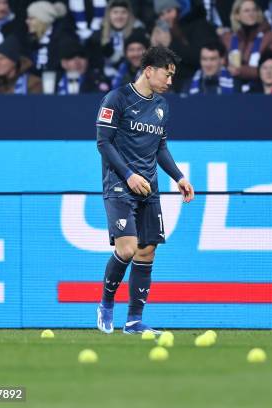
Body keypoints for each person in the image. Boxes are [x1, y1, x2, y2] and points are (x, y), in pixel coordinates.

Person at [95, 46, 194, 335]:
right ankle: (106, 305)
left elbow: (160, 147)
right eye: (168, 74)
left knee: (147, 251)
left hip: (148, 187)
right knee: (126, 249)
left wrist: (178, 177)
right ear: (149, 70)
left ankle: (134, 321)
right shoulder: (117, 99)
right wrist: (128, 175)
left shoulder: (162, 106)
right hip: (119, 184)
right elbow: (104, 143)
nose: (170, 81)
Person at [152, 0, 218, 91]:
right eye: (161, 14)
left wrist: (170, 44)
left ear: (180, 9)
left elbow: (198, 58)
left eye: (169, 11)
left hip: (197, 85)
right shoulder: (165, 30)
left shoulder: (200, 26)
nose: (166, 17)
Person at [220, 0, 272, 92]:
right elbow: (220, 63)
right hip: (231, 88)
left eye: (254, 10)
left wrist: (241, 71)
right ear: (237, 15)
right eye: (246, 11)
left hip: (261, 90)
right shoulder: (227, 38)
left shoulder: (270, 37)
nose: (251, 14)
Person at [25, 1, 68, 75]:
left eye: (31, 18)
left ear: (43, 20)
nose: (27, 21)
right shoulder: (31, 42)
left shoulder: (61, 41)